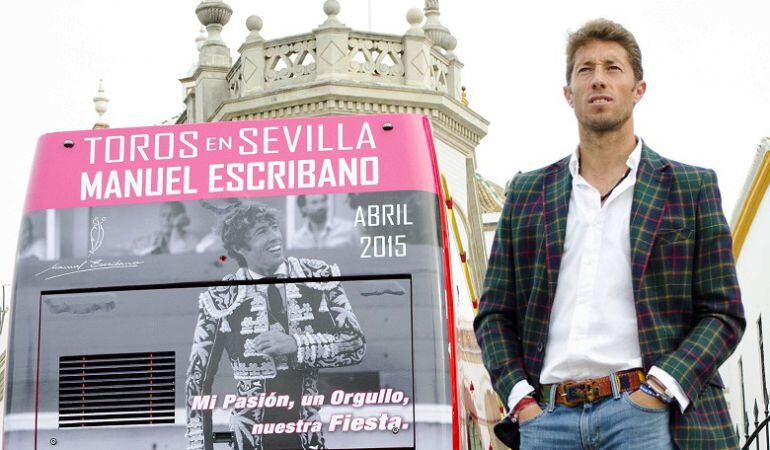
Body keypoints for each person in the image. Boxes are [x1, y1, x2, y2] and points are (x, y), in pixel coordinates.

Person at [474, 19, 745, 450]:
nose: (598, 79)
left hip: (646, 415)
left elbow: (723, 312)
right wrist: (520, 399)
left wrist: (659, 389)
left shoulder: (690, 188)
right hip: (547, 420)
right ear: (568, 94)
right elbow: (494, 315)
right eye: (585, 69)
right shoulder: (526, 193)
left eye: (612, 68)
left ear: (639, 89)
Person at [186, 202, 365, 450]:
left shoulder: (318, 276)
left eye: (274, 227)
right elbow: (197, 379)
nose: (275, 237)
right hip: (249, 440)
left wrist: (296, 344)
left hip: (306, 437)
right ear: (239, 247)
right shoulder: (221, 297)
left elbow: (355, 345)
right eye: (262, 232)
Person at [289, 195, 356, 249]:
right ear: (303, 208)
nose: (320, 206)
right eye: (314, 202)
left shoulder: (348, 229)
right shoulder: (297, 241)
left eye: (323, 200)